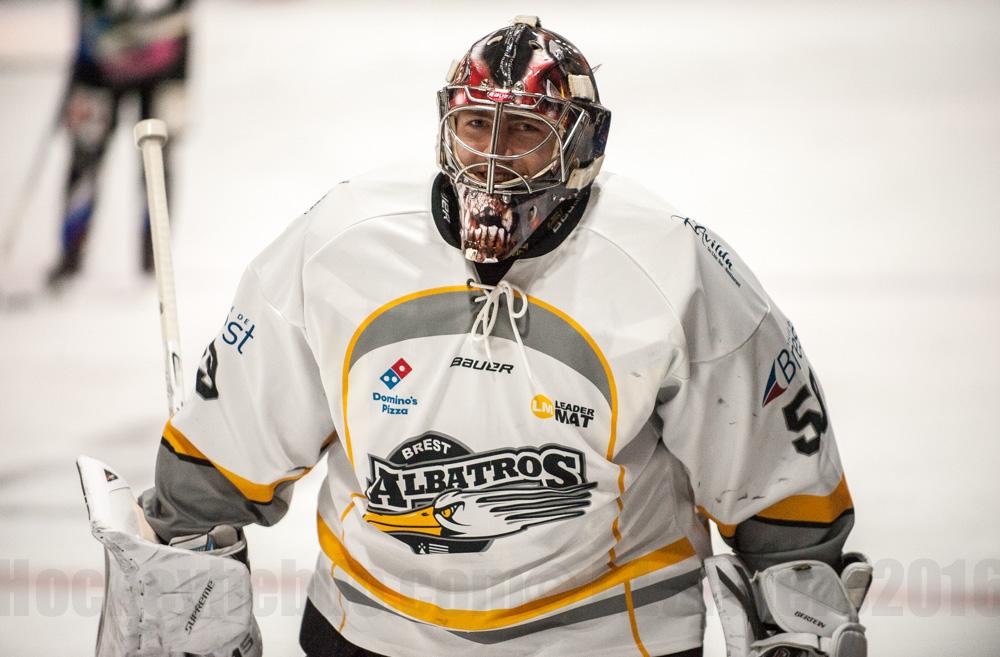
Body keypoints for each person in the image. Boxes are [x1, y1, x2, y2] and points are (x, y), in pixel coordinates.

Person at [78, 16, 871, 657]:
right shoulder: (340, 244)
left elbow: (777, 479)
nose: (491, 160)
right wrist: (184, 554)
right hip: (368, 632)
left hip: (606, 636)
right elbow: (225, 448)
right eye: (472, 127)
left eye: (523, 131)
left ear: (582, 147)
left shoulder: (672, 266)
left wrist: (796, 607)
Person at [49, 0, 191, 287]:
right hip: (99, 54)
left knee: (158, 159)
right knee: (86, 154)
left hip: (166, 49)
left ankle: (155, 260)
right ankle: (71, 254)